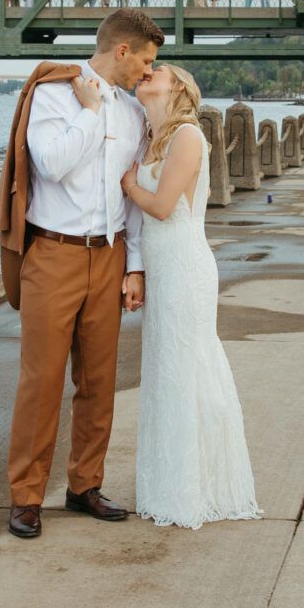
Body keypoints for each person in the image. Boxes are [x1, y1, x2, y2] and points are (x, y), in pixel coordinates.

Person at [0, 9, 163, 540]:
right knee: (41, 382)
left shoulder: (135, 116)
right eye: (147, 61)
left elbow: (131, 199)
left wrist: (134, 266)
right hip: (54, 255)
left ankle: (84, 485)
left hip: (108, 255)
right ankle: (26, 497)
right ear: (122, 52)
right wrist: (90, 113)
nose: (149, 73)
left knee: (99, 382)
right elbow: (51, 164)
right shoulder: (54, 94)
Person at [119, 63, 261, 529]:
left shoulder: (187, 136)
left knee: (188, 368)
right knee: (166, 371)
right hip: (162, 269)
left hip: (184, 266)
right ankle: (169, 483)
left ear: (177, 86)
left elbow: (161, 207)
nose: (146, 71)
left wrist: (129, 186)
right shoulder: (152, 135)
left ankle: (199, 487)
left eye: (156, 69)